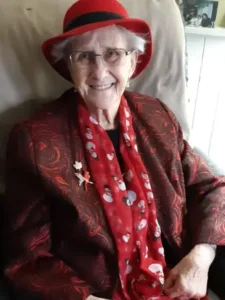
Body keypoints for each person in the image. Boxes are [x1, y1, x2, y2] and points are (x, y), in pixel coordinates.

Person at [2, 0, 225, 299]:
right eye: (84, 56)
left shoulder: (157, 115)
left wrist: (200, 259)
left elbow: (210, 186)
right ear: (69, 66)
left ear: (133, 62)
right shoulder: (36, 140)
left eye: (113, 54)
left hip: (176, 282)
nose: (99, 71)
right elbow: (25, 255)